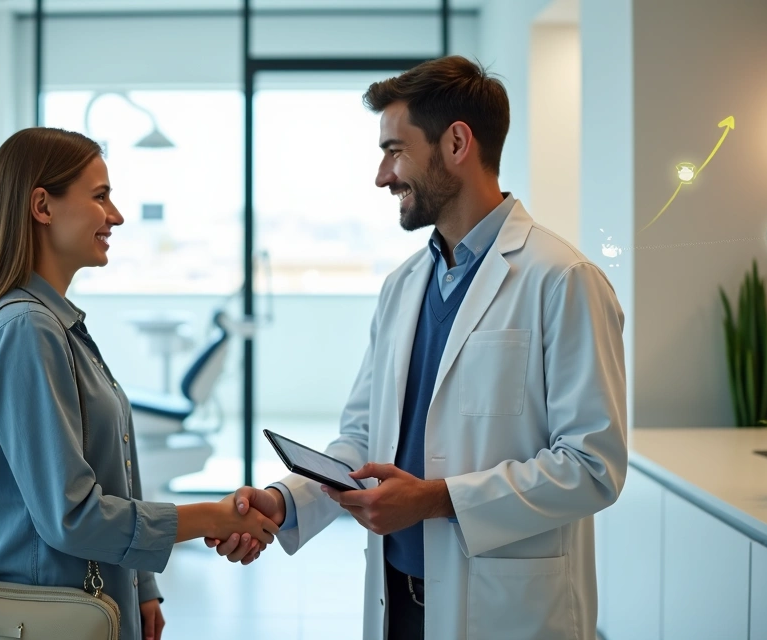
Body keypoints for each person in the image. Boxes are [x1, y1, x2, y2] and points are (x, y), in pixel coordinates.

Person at [209, 56, 628, 640]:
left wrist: (434, 500)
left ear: (457, 142)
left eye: (395, 150)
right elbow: (361, 441)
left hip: (504, 610)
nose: (383, 175)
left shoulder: (561, 280)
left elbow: (592, 468)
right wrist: (286, 501)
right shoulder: (402, 286)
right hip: (397, 602)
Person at [0, 127, 280, 640]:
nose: (117, 215)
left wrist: (141, 586)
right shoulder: (27, 330)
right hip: (45, 618)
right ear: (43, 205)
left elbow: (112, 473)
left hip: (92, 603)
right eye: (100, 196)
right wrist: (212, 517)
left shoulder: (57, 324)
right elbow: (73, 516)